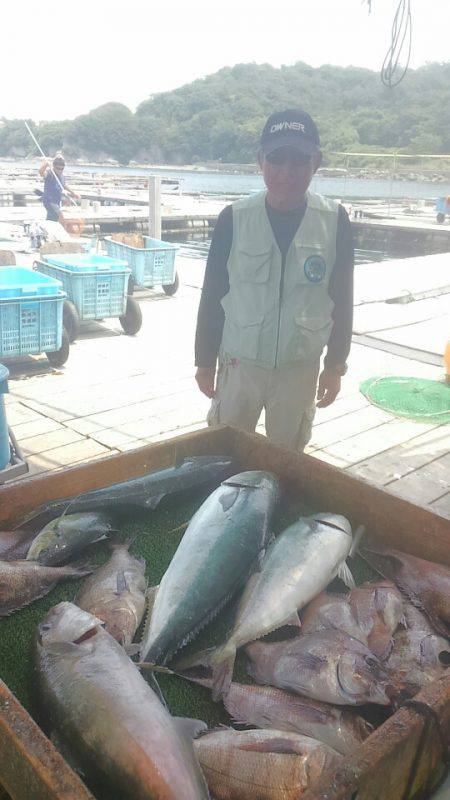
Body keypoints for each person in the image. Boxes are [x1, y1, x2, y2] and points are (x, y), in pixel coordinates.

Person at [194, 109, 354, 452]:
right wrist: (204, 361)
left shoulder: (335, 221)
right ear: (260, 160)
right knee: (225, 454)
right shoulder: (233, 219)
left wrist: (336, 365)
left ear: (317, 162)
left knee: (287, 462)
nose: (286, 172)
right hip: (240, 365)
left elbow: (342, 300)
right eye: (276, 159)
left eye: (299, 160)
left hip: (300, 369)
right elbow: (212, 296)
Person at [39, 155, 80, 222]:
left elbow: (64, 185)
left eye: (62, 169)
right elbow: (41, 173)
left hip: (56, 201)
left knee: (51, 219)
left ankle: (48, 230)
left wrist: (74, 193)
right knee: (60, 217)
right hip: (49, 201)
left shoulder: (62, 176)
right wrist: (45, 165)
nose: (60, 170)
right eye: (58, 168)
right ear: (54, 167)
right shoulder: (50, 174)